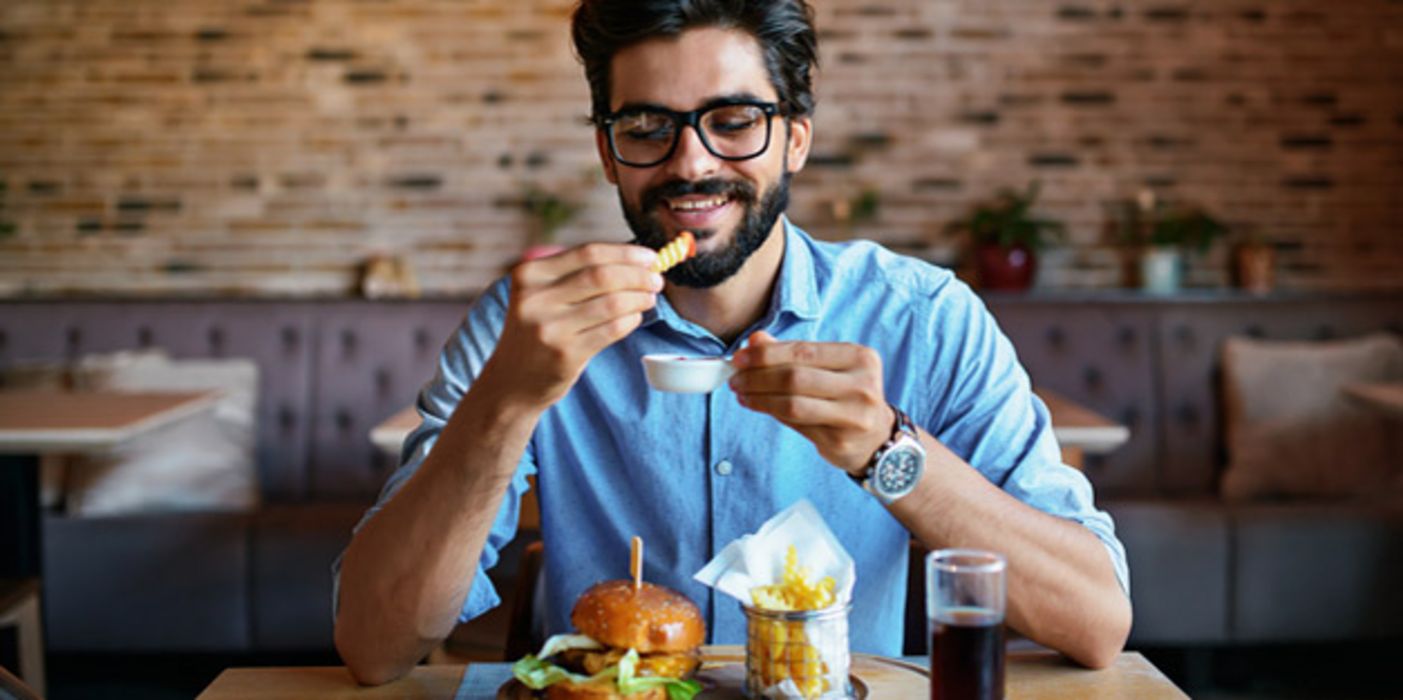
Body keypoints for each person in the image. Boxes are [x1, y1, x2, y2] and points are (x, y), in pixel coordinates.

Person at [334, 0, 1132, 685]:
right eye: (647, 127)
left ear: (795, 140)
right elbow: (374, 648)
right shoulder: (527, 325)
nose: (691, 163)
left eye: (733, 122)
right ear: (609, 154)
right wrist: (504, 404)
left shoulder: (924, 317)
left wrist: (890, 453)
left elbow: (1095, 622)